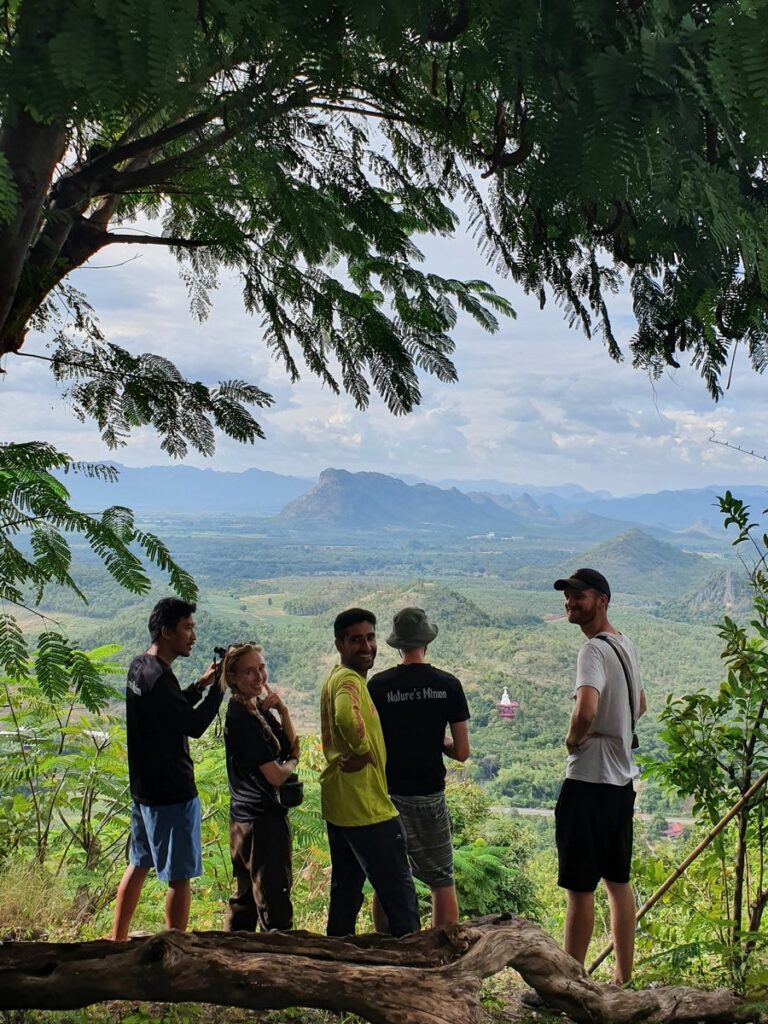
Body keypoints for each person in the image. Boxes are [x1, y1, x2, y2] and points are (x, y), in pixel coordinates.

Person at [553, 567, 646, 985]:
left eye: (580, 595)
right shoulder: (624, 644)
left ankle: (568, 983)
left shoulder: (592, 651)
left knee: (580, 888)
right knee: (618, 883)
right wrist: (618, 730)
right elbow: (640, 703)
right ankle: (623, 979)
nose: (571, 602)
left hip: (588, 782)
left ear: (602, 600)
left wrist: (575, 738)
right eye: (568, 596)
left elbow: (586, 707)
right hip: (621, 784)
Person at [110, 597, 222, 940]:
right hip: (172, 793)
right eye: (187, 628)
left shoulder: (140, 667)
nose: (193, 636)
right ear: (165, 631)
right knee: (179, 876)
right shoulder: (160, 678)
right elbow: (194, 724)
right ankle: (176, 950)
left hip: (144, 791)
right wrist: (220, 691)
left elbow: (169, 710)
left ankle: (118, 938)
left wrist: (200, 685)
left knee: (139, 863)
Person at [319, 607, 421, 938]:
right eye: (356, 640)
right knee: (401, 900)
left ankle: (335, 964)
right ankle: (415, 972)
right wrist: (362, 752)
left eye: (371, 637)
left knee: (346, 896)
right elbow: (346, 717)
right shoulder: (349, 680)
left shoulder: (336, 678)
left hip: (341, 805)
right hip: (367, 808)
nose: (366, 646)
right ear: (340, 645)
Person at [368, 607, 470, 928]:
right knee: (441, 881)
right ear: (426, 642)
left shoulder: (379, 686)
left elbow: (371, 743)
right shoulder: (448, 685)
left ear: (398, 645)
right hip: (429, 796)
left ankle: (386, 951)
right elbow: (462, 752)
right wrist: (437, 740)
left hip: (389, 796)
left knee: (388, 879)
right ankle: (441, 957)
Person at [220, 642, 299, 931]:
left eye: (261, 668)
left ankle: (234, 961)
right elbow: (276, 775)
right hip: (261, 821)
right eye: (249, 672)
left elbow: (291, 744)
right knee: (273, 903)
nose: (259, 677)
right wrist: (291, 764)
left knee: (246, 901)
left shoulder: (255, 707)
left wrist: (284, 710)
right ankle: (276, 965)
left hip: (245, 818)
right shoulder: (243, 718)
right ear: (234, 678)